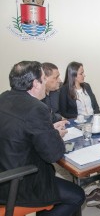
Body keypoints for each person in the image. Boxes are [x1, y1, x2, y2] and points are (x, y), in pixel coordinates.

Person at [0, 61, 85, 216]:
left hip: (4, 172)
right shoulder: (36, 108)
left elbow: (19, 131)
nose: (45, 83)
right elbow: (54, 154)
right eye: (43, 79)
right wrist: (55, 135)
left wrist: (48, 130)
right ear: (35, 84)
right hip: (19, 185)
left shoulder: (3, 98)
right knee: (77, 195)